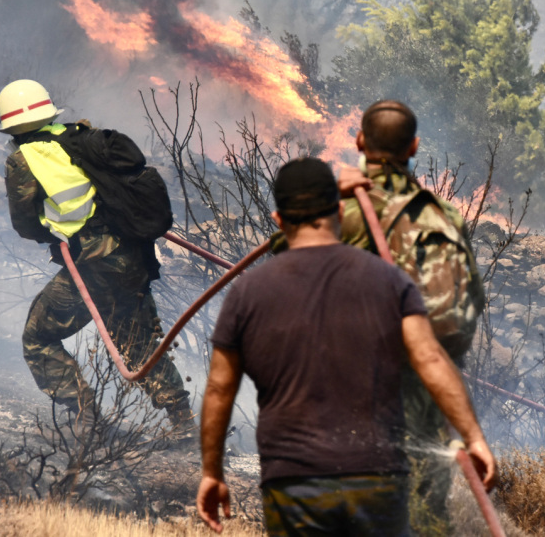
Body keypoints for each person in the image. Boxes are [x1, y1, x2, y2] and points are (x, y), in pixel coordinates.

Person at [196, 157, 495, 535]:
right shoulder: (389, 281)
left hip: (294, 485)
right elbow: (431, 358)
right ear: (339, 210)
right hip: (377, 478)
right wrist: (474, 438)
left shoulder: (247, 293)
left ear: (277, 220)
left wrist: (211, 471)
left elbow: (221, 388)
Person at [0, 79, 193, 431]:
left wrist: (55, 233)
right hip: (135, 255)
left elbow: (25, 224)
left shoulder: (22, 160)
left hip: (95, 263)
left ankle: (85, 414)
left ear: (10, 127)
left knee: (38, 337)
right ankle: (182, 420)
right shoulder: (79, 136)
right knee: (137, 341)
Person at [337, 100, 485, 529]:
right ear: (414, 146)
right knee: (425, 507)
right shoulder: (444, 213)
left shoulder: (347, 210)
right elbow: (472, 295)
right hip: (433, 379)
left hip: (360, 381)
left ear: (361, 141)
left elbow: (290, 266)